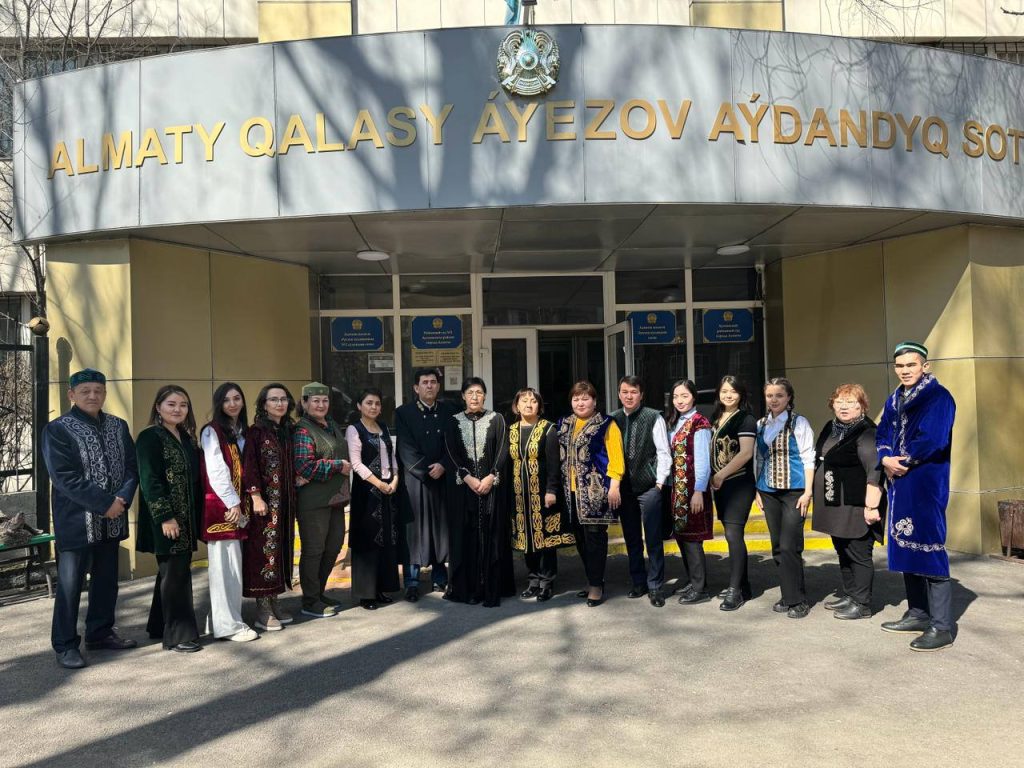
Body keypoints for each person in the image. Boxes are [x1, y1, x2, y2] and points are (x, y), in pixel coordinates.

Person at [42, 368, 139, 669]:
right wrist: (105, 503)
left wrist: (121, 500)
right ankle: (65, 644)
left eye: (98, 390)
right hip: (76, 522)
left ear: (105, 393)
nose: (92, 396)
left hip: (112, 519)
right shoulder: (57, 429)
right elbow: (64, 477)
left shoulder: (118, 426)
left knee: (106, 581)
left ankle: (100, 633)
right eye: (85, 391)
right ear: (72, 394)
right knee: (70, 586)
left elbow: (132, 467)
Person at [876, 342, 957, 652]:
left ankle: (942, 626)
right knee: (905, 543)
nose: (905, 370)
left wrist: (904, 461)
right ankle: (918, 613)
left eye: (911, 364)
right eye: (900, 366)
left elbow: (934, 439)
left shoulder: (939, 397)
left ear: (925, 365)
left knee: (929, 545)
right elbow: (883, 431)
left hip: (925, 482)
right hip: (899, 481)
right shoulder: (894, 398)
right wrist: (885, 458)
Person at [136, 385, 203, 653]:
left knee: (171, 573)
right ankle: (178, 635)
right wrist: (165, 517)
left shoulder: (186, 438)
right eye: (171, 404)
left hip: (186, 519)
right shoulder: (149, 437)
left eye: (183, 405)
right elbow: (149, 480)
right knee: (176, 576)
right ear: (158, 407)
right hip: (165, 520)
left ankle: (158, 625)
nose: (178, 410)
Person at [812, 383, 885, 621]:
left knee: (858, 552)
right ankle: (850, 594)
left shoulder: (867, 432)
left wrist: (871, 506)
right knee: (842, 550)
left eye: (851, 402)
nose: (844, 407)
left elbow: (874, 471)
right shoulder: (831, 427)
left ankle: (862, 604)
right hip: (835, 504)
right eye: (839, 402)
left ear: (862, 406)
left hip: (856, 504)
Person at [444, 377, 515, 606]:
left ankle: (493, 587)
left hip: (491, 487)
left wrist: (491, 476)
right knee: (468, 536)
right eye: (470, 392)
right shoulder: (453, 422)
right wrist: (468, 477)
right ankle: (471, 588)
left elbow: (503, 449)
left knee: (492, 535)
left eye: (479, 392)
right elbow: (451, 452)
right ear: (463, 396)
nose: (474, 397)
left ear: (485, 395)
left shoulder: (497, 419)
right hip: (465, 489)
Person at [199, 383, 258, 642]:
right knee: (225, 569)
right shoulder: (212, 431)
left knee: (233, 567)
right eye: (226, 400)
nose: (232, 404)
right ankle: (229, 626)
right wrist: (233, 504)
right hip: (223, 508)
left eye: (237, 398)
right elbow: (217, 471)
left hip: (238, 507)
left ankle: (219, 620)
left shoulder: (242, 431)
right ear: (218, 404)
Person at [556, 380, 624, 607]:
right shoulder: (564, 423)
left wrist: (615, 485)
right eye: (576, 399)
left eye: (585, 398)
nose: (580, 403)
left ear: (594, 401)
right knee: (580, 539)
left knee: (595, 539)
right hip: (570, 493)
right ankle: (592, 578)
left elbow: (616, 457)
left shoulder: (606, 424)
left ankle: (596, 585)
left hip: (596, 491)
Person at [754, 378, 815, 619]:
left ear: (789, 397)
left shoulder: (799, 422)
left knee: (791, 545)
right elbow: (759, 459)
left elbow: (808, 457)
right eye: (770, 395)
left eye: (779, 395)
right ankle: (788, 594)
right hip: (768, 490)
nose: (774, 400)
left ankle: (798, 599)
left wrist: (808, 492)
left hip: (794, 491)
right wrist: (757, 490)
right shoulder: (761, 424)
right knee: (778, 546)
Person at [394, 368, 456, 602]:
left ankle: (440, 577)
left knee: (440, 530)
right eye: (424, 382)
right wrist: (426, 471)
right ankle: (411, 582)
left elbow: (454, 443)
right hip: (415, 480)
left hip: (442, 479)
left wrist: (444, 465)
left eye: (433, 382)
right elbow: (405, 447)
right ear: (416, 388)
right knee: (414, 532)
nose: (429, 385)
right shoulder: (404, 413)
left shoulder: (449, 411)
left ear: (438, 386)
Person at [508, 388, 574, 602]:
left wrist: (551, 490)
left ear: (540, 406)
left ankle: (547, 582)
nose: (529, 405)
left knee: (546, 540)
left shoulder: (548, 429)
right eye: (524, 401)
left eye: (533, 401)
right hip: (520, 496)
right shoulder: (511, 431)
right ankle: (533, 580)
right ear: (516, 406)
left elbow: (555, 464)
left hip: (543, 494)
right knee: (527, 540)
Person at [610, 376, 671, 607]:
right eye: (624, 392)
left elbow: (664, 452)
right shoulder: (613, 419)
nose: (629, 396)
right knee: (632, 538)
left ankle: (655, 586)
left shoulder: (653, 417)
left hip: (649, 487)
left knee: (653, 538)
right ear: (619, 394)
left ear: (641, 394)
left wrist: (659, 483)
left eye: (633, 392)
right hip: (625, 489)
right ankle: (638, 582)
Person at [242, 384, 298, 631]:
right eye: (273, 399)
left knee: (280, 550)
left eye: (283, 399)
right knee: (263, 552)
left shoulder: (287, 430)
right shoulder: (256, 432)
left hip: (285, 503)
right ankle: (262, 607)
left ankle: (275, 600)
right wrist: (256, 496)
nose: (279, 403)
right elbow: (249, 466)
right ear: (263, 404)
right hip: (264, 504)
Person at [293, 382, 351, 619]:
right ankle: (310, 600)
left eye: (324, 400)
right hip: (313, 502)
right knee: (314, 550)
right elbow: (304, 466)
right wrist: (337, 466)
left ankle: (319, 592)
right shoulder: (302, 430)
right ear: (305, 403)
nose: (320, 405)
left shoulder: (332, 425)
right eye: (315, 401)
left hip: (335, 499)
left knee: (334, 546)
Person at [345, 388, 401, 610]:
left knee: (385, 539)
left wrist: (395, 479)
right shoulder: (354, 429)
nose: (373, 407)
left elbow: (392, 457)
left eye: (377, 403)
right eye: (369, 403)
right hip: (366, 491)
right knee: (367, 540)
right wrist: (379, 483)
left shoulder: (383, 427)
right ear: (359, 406)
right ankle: (366, 594)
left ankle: (381, 588)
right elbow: (356, 464)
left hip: (387, 489)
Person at [708, 376, 757, 611]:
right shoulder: (716, 418)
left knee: (733, 534)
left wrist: (720, 475)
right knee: (731, 533)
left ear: (741, 394)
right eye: (724, 391)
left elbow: (746, 453)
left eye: (733, 391)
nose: (728, 395)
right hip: (722, 487)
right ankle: (744, 586)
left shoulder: (745, 419)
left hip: (739, 485)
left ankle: (734, 591)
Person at [665, 379, 714, 605]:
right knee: (683, 538)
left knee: (693, 540)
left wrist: (699, 491)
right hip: (678, 491)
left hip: (693, 490)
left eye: (684, 396)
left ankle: (700, 588)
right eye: (676, 397)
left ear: (693, 397)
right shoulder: (675, 422)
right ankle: (693, 581)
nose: (680, 401)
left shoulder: (699, 423)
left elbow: (703, 459)